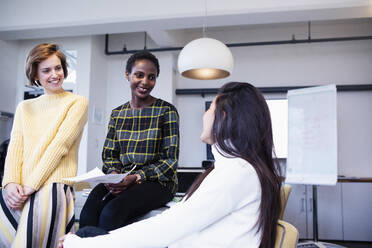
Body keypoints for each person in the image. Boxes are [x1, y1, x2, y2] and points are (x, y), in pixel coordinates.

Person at [61, 82, 283, 248]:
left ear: (222, 117)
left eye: (210, 108)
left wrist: (82, 245)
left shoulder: (236, 172)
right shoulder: (236, 169)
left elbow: (166, 229)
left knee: (85, 235)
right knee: (89, 229)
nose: (205, 116)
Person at [78, 51, 180, 231]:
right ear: (127, 75)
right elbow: (110, 155)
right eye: (139, 75)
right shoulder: (118, 114)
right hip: (122, 180)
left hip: (157, 183)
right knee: (88, 214)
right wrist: (114, 175)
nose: (145, 82)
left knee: (112, 212)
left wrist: (136, 177)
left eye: (151, 77)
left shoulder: (166, 111)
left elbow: (169, 161)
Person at [0, 43, 88, 247]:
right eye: (46, 70)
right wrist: (11, 183)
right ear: (35, 75)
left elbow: (59, 146)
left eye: (58, 68)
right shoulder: (25, 107)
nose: (54, 74)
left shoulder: (77, 102)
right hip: (22, 187)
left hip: (52, 185)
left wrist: (31, 186)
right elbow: (16, 147)